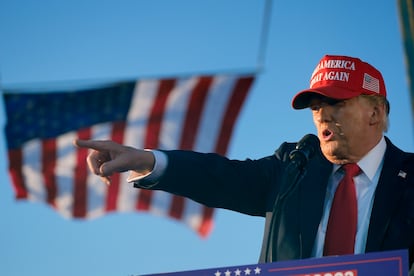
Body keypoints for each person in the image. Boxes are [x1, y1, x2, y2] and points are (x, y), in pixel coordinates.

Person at [74, 54, 414, 273]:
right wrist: (147, 159)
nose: (323, 114)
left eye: (336, 103)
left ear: (375, 111)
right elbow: (221, 178)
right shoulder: (294, 167)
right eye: (315, 106)